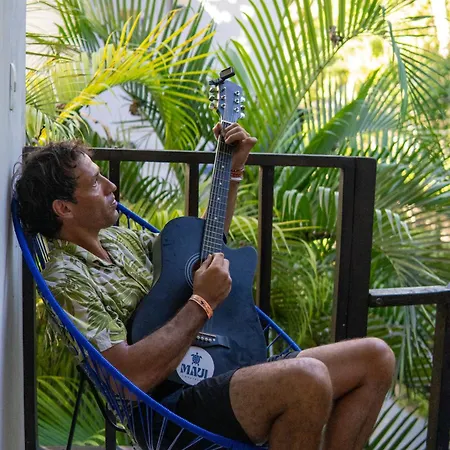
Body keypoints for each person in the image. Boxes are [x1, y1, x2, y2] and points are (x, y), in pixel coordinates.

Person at [15, 124, 396, 450]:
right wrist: (202, 302)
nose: (111, 185)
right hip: (168, 408)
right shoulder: (68, 279)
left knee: (375, 357)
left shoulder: (120, 240)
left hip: (224, 372)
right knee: (308, 377)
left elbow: (200, 251)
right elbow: (125, 381)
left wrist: (232, 169)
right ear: (64, 208)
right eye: (96, 182)